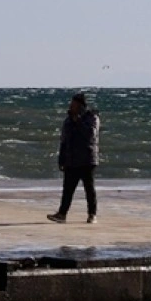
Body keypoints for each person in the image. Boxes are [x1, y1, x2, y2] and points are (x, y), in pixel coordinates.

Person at [48, 92, 100, 224]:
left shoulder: (92, 117)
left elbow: (90, 135)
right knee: (68, 189)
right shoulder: (68, 120)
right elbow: (64, 140)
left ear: (81, 106)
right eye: (71, 104)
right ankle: (62, 214)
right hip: (71, 159)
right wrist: (61, 158)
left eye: (74, 104)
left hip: (87, 159)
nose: (71, 106)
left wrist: (78, 121)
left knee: (89, 188)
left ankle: (92, 214)